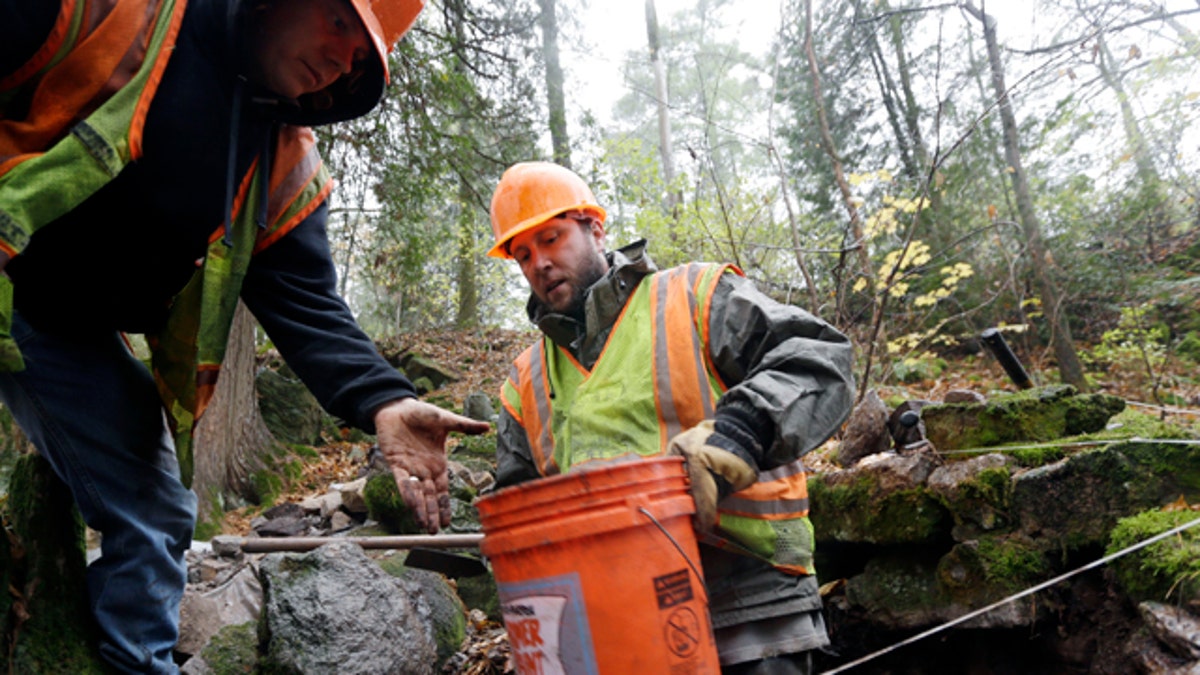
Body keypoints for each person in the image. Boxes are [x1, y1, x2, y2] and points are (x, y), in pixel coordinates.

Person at [0, 0, 489, 672]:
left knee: (155, 507)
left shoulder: (284, 159)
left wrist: (385, 400)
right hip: (13, 265)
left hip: (61, 326)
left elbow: (307, 300)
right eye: (339, 22)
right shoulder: (115, 13)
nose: (340, 58)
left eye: (359, 57)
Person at [488, 161, 856, 675]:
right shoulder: (525, 379)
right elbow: (521, 511)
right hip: (616, 620)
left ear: (595, 229)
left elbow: (819, 358)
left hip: (748, 591)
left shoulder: (695, 295)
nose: (540, 263)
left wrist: (743, 431)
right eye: (523, 255)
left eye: (551, 239)